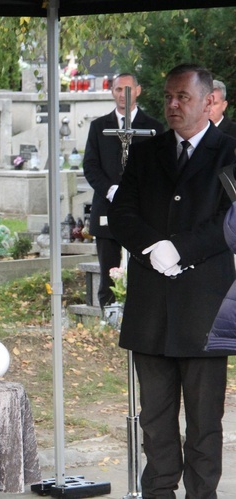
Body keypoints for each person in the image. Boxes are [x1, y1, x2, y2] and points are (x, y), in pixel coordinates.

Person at [108, 63, 236, 498]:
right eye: (167, 97)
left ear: (208, 101)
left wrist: (181, 248)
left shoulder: (229, 151)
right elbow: (121, 213)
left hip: (204, 310)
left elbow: (231, 219)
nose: (173, 105)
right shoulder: (147, 153)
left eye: (183, 97)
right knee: (156, 421)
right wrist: (150, 247)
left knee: (204, 423)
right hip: (152, 309)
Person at [82, 73, 163, 308]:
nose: (122, 95)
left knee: (142, 262)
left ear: (138, 90)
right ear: (112, 92)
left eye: (127, 89)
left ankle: (140, 310)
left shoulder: (153, 127)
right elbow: (90, 165)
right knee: (108, 265)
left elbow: (159, 168)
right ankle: (108, 311)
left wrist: (135, 192)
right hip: (107, 206)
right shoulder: (99, 127)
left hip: (141, 209)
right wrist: (111, 190)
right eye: (118, 89)